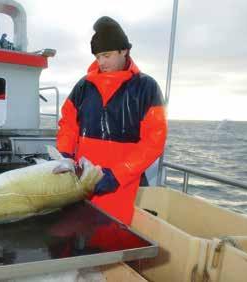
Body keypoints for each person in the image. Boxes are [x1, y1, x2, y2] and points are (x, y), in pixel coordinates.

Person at [56, 16, 167, 225]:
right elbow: (68, 124)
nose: (101, 63)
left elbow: (154, 141)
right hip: (82, 181)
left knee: (115, 239)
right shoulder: (83, 85)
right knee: (77, 237)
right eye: (98, 56)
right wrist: (64, 154)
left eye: (106, 55)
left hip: (123, 186)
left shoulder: (147, 87)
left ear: (123, 50)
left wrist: (117, 175)